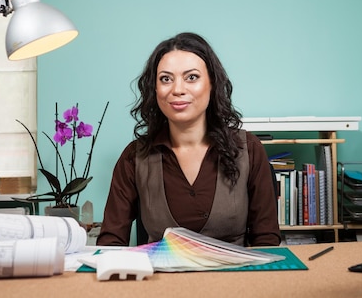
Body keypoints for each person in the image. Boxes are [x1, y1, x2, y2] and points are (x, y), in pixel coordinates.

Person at [97, 32, 281, 247]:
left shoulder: (248, 149)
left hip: (234, 278)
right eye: (166, 79)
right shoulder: (134, 157)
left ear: (212, 83)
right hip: (160, 278)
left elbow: (266, 241)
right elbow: (111, 242)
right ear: (155, 89)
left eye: (191, 77)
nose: (177, 90)